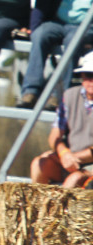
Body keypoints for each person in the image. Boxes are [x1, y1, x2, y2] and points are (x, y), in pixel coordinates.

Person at [29, 53, 93, 187]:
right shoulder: (69, 96)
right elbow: (54, 135)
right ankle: (36, 207)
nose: (91, 80)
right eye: (88, 75)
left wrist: (73, 157)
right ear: (81, 76)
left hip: (86, 164)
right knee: (38, 164)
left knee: (73, 180)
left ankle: (58, 208)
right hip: (70, 158)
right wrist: (64, 153)